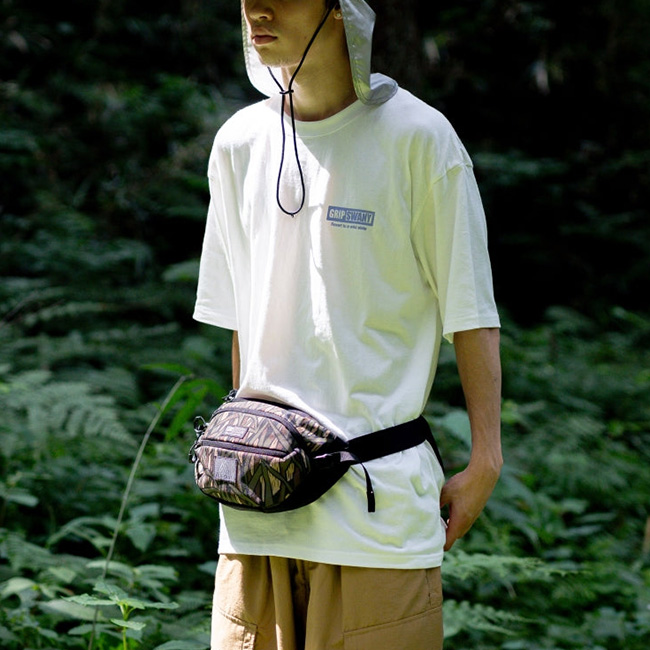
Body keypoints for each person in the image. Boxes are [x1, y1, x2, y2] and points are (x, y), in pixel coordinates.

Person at [193, 0, 503, 648]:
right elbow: (243, 328)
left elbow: (471, 311)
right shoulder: (238, 144)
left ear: (341, 10)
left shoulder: (419, 138)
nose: (256, 9)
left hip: (377, 520)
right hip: (255, 522)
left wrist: (486, 459)